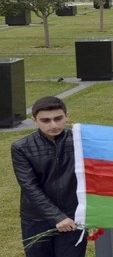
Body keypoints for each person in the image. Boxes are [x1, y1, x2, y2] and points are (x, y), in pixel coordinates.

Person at [11, 96, 87, 257]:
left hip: (72, 217)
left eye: (58, 118)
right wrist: (57, 217)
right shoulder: (21, 147)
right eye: (45, 120)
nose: (53, 125)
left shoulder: (80, 142)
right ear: (34, 121)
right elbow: (29, 186)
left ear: (66, 115)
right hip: (36, 219)